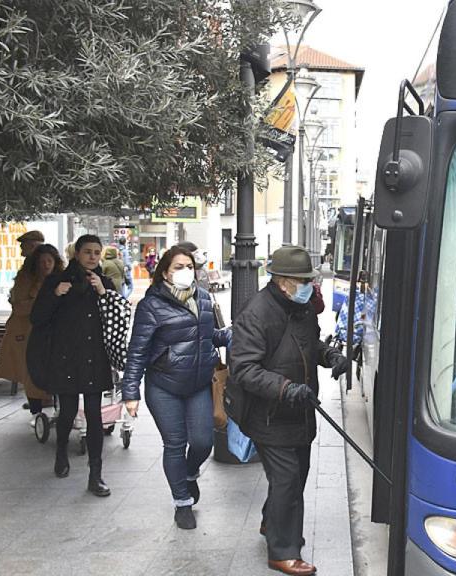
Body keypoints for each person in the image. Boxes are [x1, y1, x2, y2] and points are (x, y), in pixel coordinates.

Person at [229, 245, 349, 576]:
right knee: (287, 480)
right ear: (284, 282)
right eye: (305, 280)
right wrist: (285, 388)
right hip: (270, 415)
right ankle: (283, 551)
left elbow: (311, 343)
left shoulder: (302, 307)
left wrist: (331, 358)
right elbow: (243, 368)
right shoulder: (256, 313)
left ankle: (273, 522)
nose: (311, 285)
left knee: (297, 475)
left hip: (301, 410)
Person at [121, 245, 231, 530]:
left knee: (203, 442)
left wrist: (231, 335)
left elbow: (209, 336)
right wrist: (130, 392)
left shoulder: (204, 299)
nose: (185, 272)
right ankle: (182, 502)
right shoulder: (151, 305)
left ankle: (189, 473)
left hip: (197, 385)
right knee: (174, 444)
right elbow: (137, 351)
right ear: (166, 273)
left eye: (189, 266)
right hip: (163, 387)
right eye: (178, 267)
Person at [28, 235, 115, 497]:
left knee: (95, 415)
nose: (92, 257)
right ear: (76, 254)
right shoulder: (57, 281)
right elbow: (38, 317)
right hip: (66, 358)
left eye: (96, 253)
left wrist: (103, 292)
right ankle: (61, 451)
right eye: (87, 252)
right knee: (66, 413)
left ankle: (95, 475)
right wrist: (55, 295)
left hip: (94, 358)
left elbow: (119, 317)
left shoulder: (104, 282)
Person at [0, 244, 64, 425]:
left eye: (49, 261)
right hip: (27, 334)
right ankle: (36, 411)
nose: (46, 265)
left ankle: (58, 408)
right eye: (42, 262)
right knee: (30, 372)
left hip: (53, 333)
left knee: (57, 370)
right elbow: (19, 307)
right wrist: (46, 302)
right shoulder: (25, 280)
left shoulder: (61, 278)